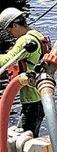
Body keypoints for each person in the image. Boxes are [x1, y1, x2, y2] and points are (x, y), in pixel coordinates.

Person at [0, 8, 48, 136]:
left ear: (15, 25)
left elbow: (6, 62)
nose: (10, 34)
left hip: (31, 99)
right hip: (40, 96)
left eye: (9, 31)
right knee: (30, 134)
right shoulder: (36, 34)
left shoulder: (24, 41)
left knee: (24, 138)